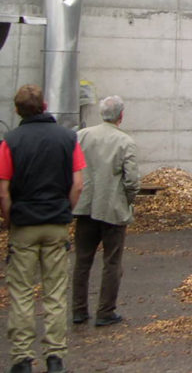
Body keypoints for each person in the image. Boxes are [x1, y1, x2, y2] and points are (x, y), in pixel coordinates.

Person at [0, 84, 86, 373]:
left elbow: (3, 191)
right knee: (55, 292)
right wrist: (66, 210)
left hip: (24, 224)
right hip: (56, 223)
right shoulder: (68, 138)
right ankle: (54, 356)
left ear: (16, 109)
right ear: (45, 105)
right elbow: (78, 183)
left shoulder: (9, 142)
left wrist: (10, 220)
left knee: (22, 293)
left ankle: (23, 359)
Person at [72, 95, 140, 329]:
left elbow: (72, 170)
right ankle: (105, 311)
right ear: (121, 116)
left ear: (102, 114)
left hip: (85, 206)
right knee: (112, 262)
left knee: (82, 260)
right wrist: (127, 201)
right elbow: (132, 181)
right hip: (112, 208)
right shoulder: (125, 142)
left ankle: (79, 310)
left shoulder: (81, 136)